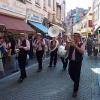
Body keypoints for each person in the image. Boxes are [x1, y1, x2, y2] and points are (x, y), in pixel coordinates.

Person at [68, 33, 85, 97]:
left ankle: (75, 90)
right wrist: (67, 45)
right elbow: (68, 50)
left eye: (75, 37)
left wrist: (75, 46)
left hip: (78, 62)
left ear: (78, 38)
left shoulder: (82, 44)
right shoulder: (72, 43)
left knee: (77, 75)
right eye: (73, 36)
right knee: (70, 73)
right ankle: (76, 83)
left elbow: (82, 52)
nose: (74, 38)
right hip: (71, 62)